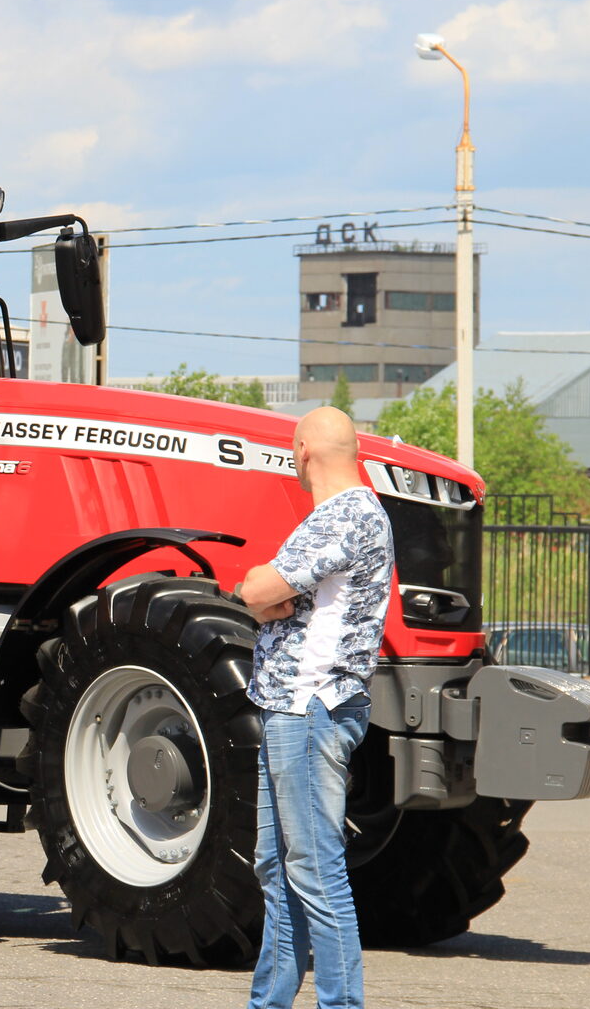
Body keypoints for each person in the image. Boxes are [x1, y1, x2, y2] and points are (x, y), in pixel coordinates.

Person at [235, 407, 395, 1009]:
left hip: (307, 711)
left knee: (314, 872)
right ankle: (269, 1002)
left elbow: (256, 590)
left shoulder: (340, 517)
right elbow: (271, 594)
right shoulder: (362, 512)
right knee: (279, 869)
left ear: (302, 452)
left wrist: (262, 593)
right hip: (303, 710)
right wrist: (269, 595)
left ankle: (340, 1004)